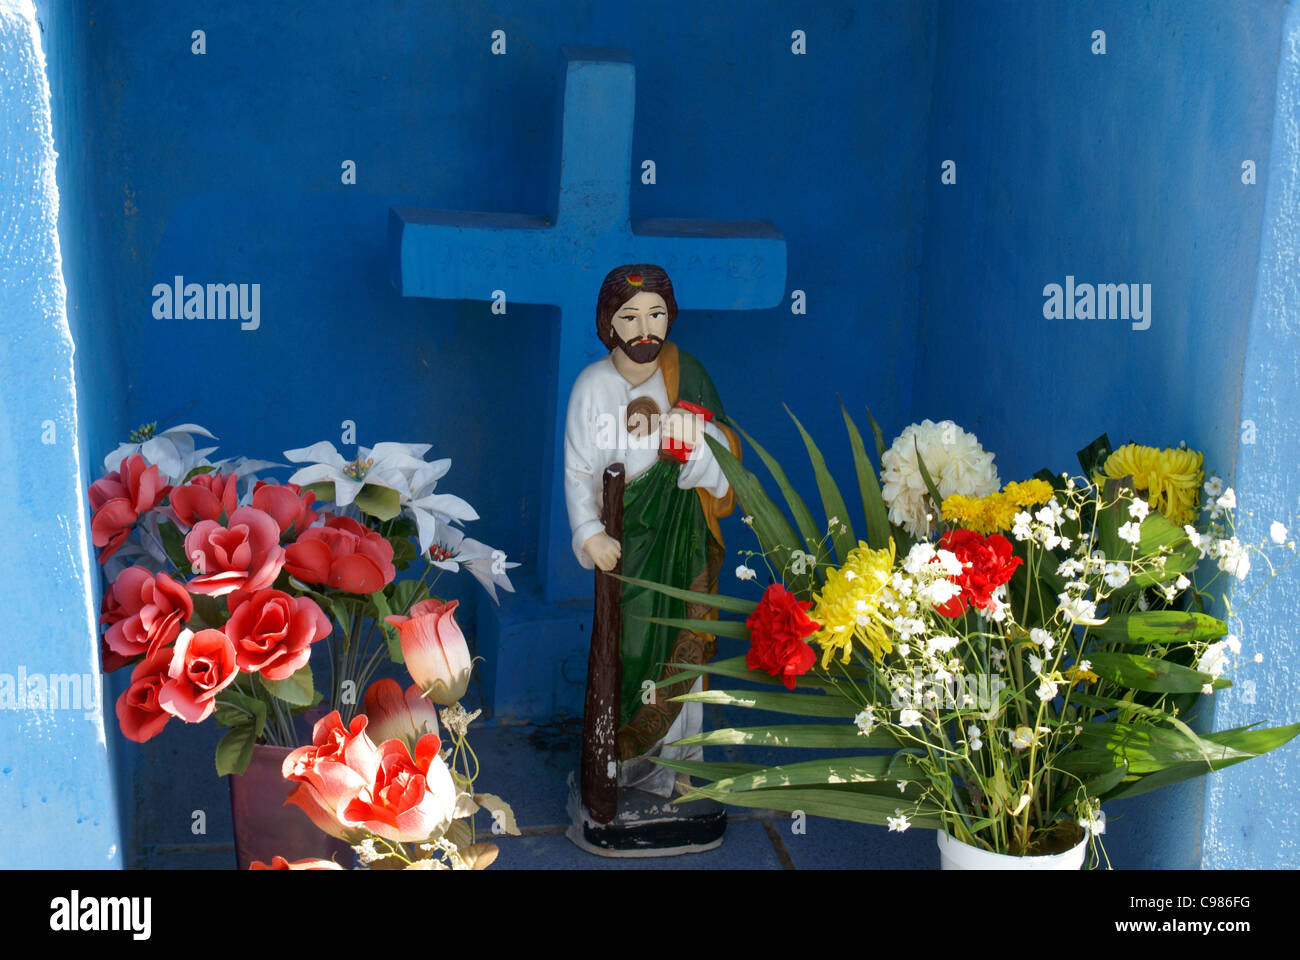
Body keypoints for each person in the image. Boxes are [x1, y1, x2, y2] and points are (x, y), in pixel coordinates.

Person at [563, 264, 739, 798]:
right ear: (608, 323)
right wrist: (589, 531)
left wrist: (700, 438)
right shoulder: (592, 386)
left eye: (657, 314)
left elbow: (729, 457)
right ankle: (622, 761)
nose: (647, 328)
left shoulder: (689, 374)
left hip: (681, 541)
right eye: (632, 315)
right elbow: (577, 469)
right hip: (626, 544)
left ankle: (683, 768)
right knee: (627, 646)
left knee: (685, 643)